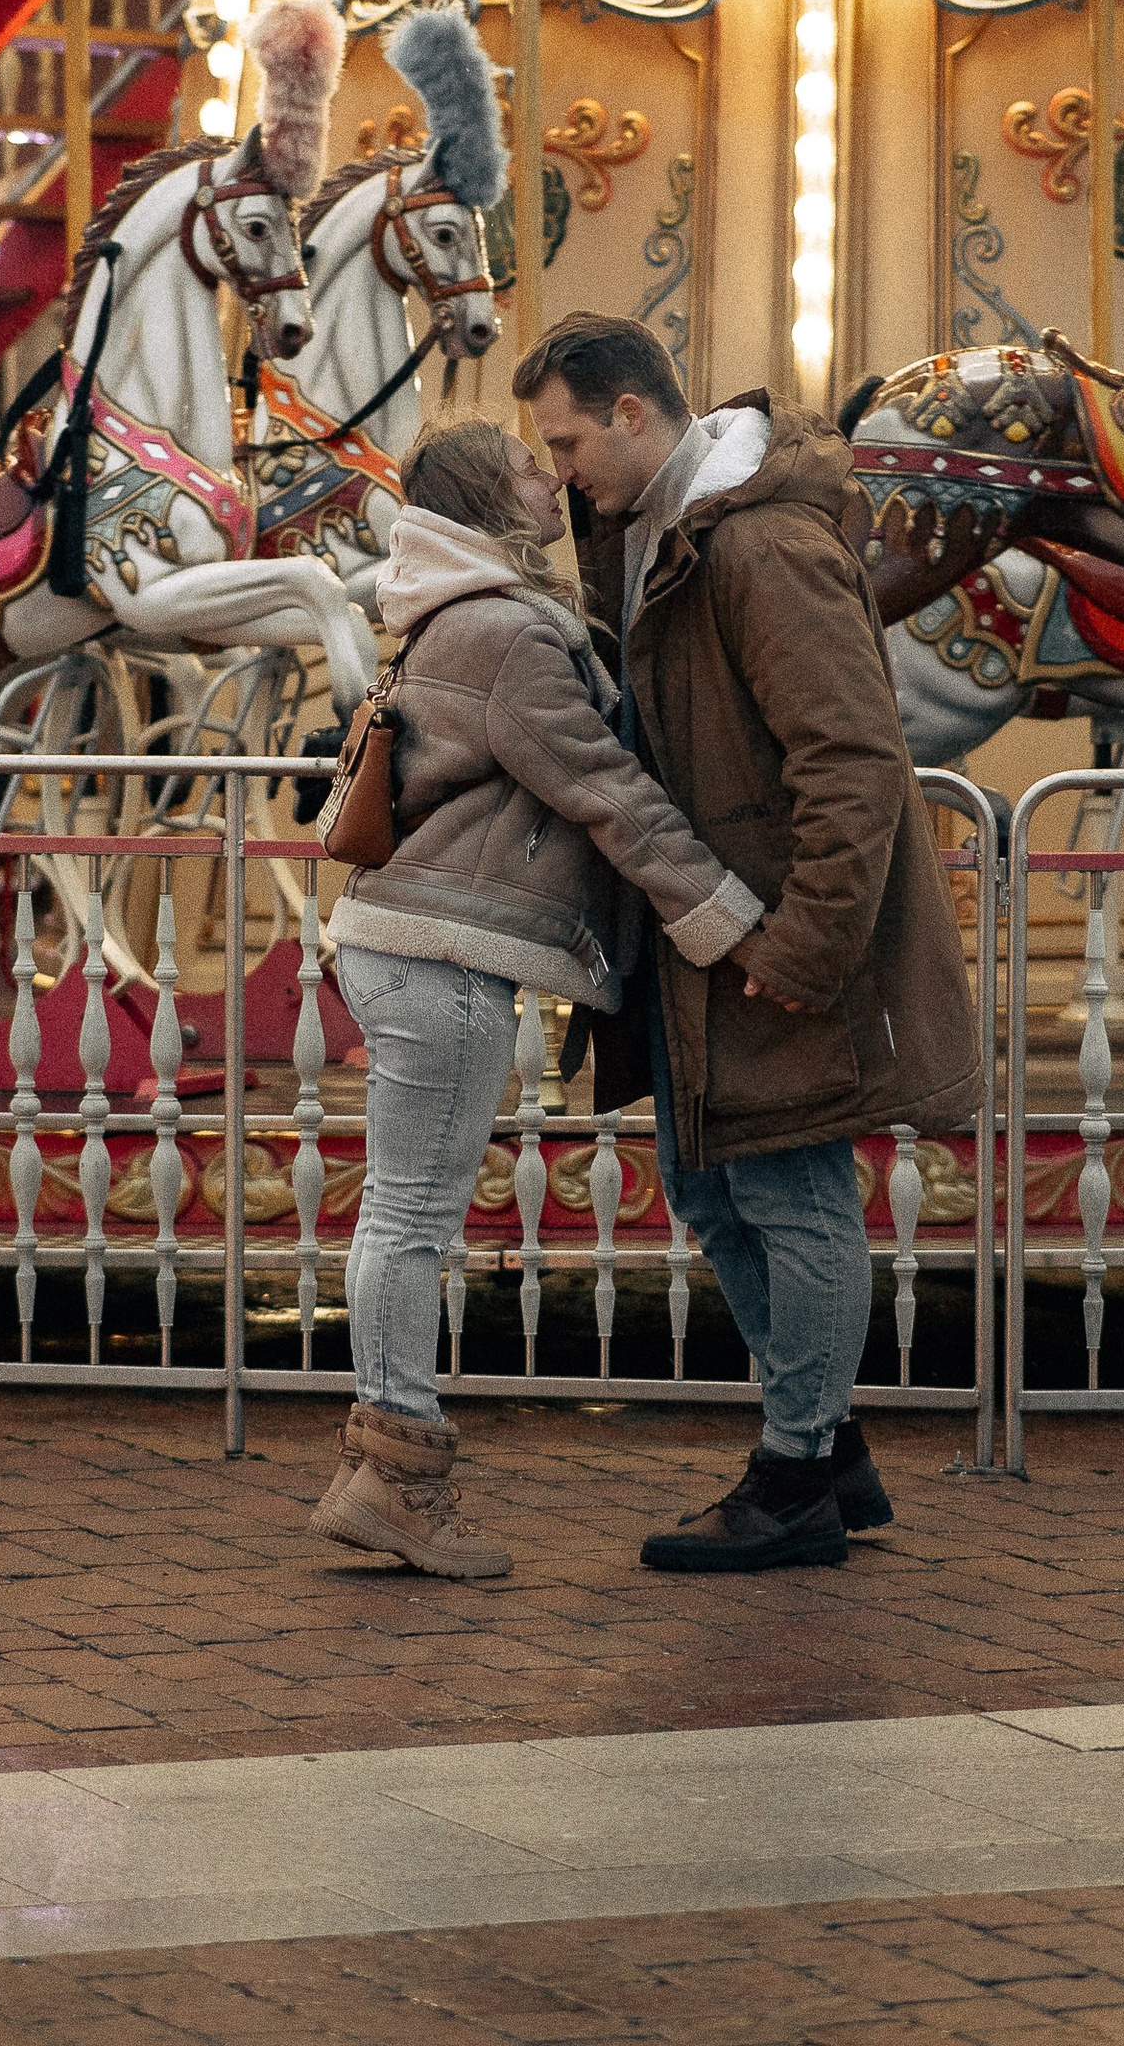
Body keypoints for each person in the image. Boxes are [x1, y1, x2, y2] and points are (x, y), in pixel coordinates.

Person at [512, 312, 981, 1575]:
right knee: (715, 1188)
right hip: (711, 935)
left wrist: (811, 942)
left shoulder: (758, 541)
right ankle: (820, 1445)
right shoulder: (658, 531)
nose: (561, 472)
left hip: (774, 938)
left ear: (628, 413)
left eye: (566, 441)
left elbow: (851, 756)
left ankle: (794, 1474)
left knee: (790, 1192)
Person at [313, 416, 765, 1580]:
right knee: (412, 1224)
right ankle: (400, 1484)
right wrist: (719, 910)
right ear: (489, 505)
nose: (552, 480)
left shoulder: (446, 612)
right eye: (529, 468)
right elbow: (607, 790)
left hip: (408, 939)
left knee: (395, 1220)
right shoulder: (508, 632)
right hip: (444, 952)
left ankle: (379, 1466)